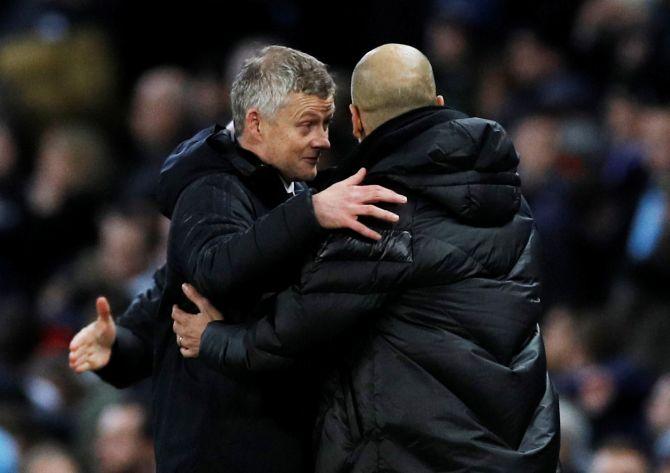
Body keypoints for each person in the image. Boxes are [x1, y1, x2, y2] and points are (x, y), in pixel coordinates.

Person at [173, 43, 561, 472]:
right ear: (437, 105)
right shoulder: (509, 202)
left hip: (417, 457)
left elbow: (289, 337)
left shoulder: (379, 209)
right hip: (519, 449)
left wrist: (211, 339)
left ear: (355, 120)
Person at [68, 45, 406, 472]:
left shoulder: (282, 191)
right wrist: (312, 213)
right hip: (222, 452)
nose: (323, 139)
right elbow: (212, 272)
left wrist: (120, 345)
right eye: (307, 125)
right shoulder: (213, 189)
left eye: (325, 123)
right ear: (256, 124)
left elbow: (170, 300)